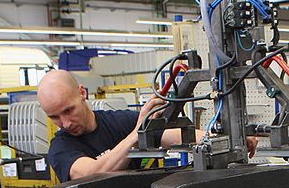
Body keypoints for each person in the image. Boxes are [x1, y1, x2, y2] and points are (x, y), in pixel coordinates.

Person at [39, 70, 257, 182]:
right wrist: (136, 134)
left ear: (82, 93)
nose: (65, 123)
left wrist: (228, 140)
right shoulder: (60, 149)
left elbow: (175, 135)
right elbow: (92, 173)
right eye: (54, 117)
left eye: (69, 110)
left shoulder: (119, 121)